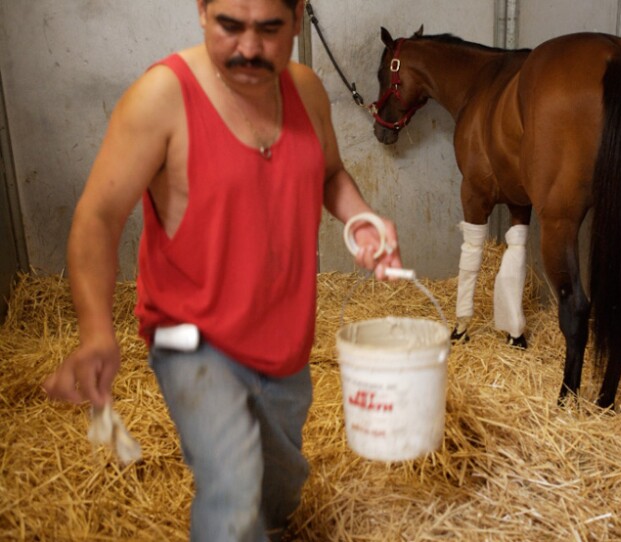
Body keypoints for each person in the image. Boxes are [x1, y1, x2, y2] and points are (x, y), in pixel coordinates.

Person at [42, 0, 401, 540]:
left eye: (269, 29)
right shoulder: (161, 98)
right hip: (192, 338)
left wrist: (363, 220)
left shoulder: (304, 89)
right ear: (202, 11)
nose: (250, 49)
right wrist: (96, 332)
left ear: (299, 17)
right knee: (232, 494)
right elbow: (96, 218)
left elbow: (329, 172)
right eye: (230, 26)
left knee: (278, 491)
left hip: (284, 338)